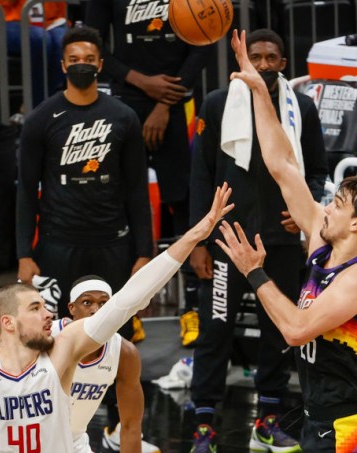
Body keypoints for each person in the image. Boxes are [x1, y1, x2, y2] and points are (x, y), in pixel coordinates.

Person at [0, 184, 234, 452]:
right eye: (36, 308)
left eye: (46, 306)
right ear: (8, 322)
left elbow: (130, 299)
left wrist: (192, 236)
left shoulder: (62, 351)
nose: (48, 313)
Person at [211, 29, 357, 452]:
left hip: (352, 428)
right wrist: (263, 92)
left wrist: (254, 272)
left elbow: (296, 330)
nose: (326, 207)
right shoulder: (324, 241)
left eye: (337, 204)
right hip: (318, 421)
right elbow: (282, 165)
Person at [188, 28, 328, 452]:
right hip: (226, 239)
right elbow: (200, 174)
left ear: (284, 63)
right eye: (257, 56)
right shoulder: (216, 104)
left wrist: (304, 215)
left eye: (272, 57)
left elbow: (318, 170)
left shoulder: (301, 107)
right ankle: (204, 424)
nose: (264, 63)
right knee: (214, 332)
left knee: (279, 331)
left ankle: (268, 419)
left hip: (280, 243)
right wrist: (198, 240)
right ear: (243, 61)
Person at [86, 0, 213, 344]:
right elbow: (95, 49)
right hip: (125, 101)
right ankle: (127, 311)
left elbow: (205, 41)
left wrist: (164, 101)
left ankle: (193, 309)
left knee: (185, 203)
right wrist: (142, 82)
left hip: (178, 101)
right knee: (125, 205)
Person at [16, 25, 153, 329]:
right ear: (63, 65)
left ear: (100, 64)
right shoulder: (40, 119)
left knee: (117, 334)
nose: (82, 64)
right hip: (58, 244)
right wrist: (24, 253)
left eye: (89, 58)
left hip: (113, 243)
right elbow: (26, 190)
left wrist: (145, 252)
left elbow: (136, 190)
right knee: (57, 334)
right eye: (75, 58)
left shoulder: (124, 117)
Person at [51, 275, 160, 453]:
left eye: (103, 304)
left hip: (75, 443)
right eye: (87, 303)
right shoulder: (49, 337)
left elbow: (131, 425)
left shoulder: (124, 352)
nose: (96, 310)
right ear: (72, 308)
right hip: (32, 440)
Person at [0, 0, 67, 110]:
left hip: (51, 21)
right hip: (5, 20)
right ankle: (36, 108)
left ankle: (43, 103)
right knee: (40, 39)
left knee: (64, 42)